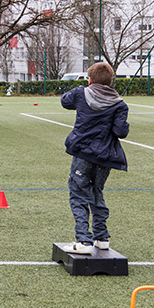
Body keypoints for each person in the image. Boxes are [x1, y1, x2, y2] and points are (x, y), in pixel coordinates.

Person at [60, 62, 129, 254]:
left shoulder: (81, 93)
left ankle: (84, 241)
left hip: (83, 153)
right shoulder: (119, 104)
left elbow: (64, 101)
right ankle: (101, 237)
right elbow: (121, 132)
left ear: (90, 79)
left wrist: (79, 90)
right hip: (104, 157)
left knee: (79, 193)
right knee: (97, 192)